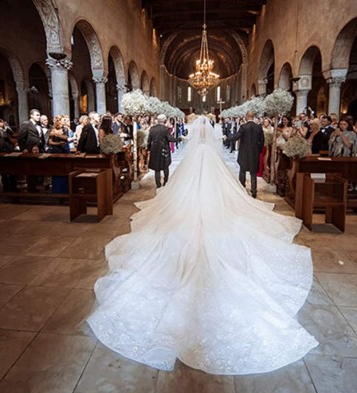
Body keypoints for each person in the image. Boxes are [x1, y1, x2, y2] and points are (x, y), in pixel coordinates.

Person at [86, 114, 318, 374]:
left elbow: (186, 173)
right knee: (216, 193)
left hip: (191, 178)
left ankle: (194, 210)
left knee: (190, 191)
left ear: (197, 133)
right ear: (210, 131)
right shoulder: (212, 157)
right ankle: (210, 211)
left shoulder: (194, 155)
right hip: (214, 183)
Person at [229, 111, 264, 198]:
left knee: (242, 170)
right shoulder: (258, 127)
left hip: (244, 152)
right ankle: (254, 191)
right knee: (253, 173)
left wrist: (228, 137)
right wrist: (258, 151)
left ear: (246, 116)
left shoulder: (243, 127)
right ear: (253, 117)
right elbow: (262, 141)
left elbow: (236, 137)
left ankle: (242, 188)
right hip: (254, 153)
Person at [147, 114, 181, 188]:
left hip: (155, 150)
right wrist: (179, 139)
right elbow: (170, 139)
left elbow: (149, 140)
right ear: (165, 120)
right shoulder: (166, 129)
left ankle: (158, 185)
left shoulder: (152, 129)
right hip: (164, 150)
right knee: (166, 167)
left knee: (157, 169)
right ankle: (165, 183)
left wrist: (149, 149)